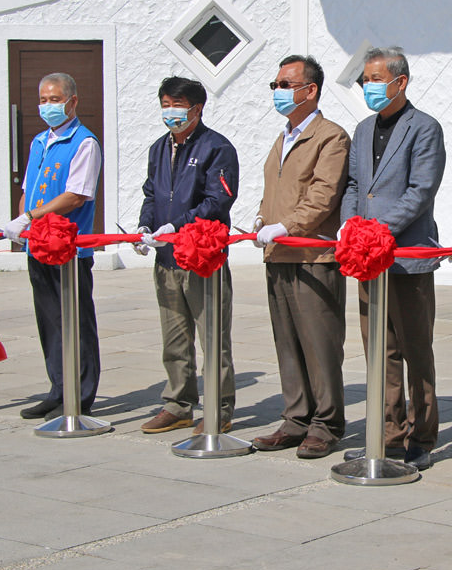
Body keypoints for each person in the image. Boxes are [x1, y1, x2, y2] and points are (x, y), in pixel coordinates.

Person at [340, 47, 445, 470]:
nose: (369, 87)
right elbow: (352, 185)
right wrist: (351, 227)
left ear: (400, 82)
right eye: (365, 80)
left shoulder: (425, 128)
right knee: (378, 351)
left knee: (415, 349)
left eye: (376, 80)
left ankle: (422, 436)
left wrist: (379, 230)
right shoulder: (364, 129)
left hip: (406, 255)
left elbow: (421, 190)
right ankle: (386, 432)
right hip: (368, 257)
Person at [251, 54, 350, 459]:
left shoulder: (330, 136)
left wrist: (286, 226)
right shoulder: (285, 135)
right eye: (275, 85)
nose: (278, 92)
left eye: (285, 85)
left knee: (319, 344)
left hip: (312, 255)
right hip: (279, 254)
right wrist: (263, 216)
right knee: (288, 343)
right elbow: (275, 189)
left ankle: (326, 425)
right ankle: (296, 418)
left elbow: (324, 195)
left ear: (310, 90)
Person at [136, 77, 239, 435]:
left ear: (197, 109)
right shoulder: (158, 148)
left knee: (212, 337)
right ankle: (178, 404)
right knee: (174, 337)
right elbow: (151, 194)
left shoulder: (217, 147)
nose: (170, 112)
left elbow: (217, 200)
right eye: (165, 104)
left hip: (201, 257)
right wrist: (146, 228)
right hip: (165, 258)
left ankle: (219, 408)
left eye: (177, 105)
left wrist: (177, 226)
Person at [2, 72, 102, 420]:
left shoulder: (84, 143)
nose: (48, 106)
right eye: (43, 100)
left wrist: (31, 215)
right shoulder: (39, 142)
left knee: (76, 322)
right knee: (49, 322)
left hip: (68, 250)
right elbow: (29, 187)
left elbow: (76, 194)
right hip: (39, 246)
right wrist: (23, 218)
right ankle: (58, 387)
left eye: (55, 99)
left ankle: (81, 393)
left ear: (72, 102)